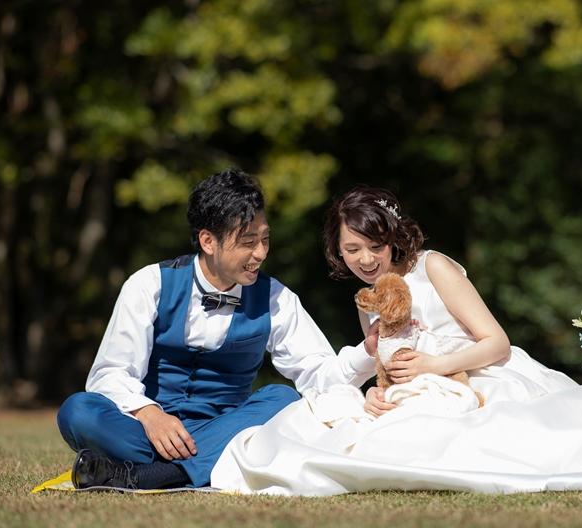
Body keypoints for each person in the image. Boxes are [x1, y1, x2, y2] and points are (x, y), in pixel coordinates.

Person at [209, 186, 582, 495]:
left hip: (481, 374)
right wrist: (380, 394)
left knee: (489, 440)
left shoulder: (432, 267)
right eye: (352, 248)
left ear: (392, 239)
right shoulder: (367, 300)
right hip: (420, 389)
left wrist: (433, 367)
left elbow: (497, 342)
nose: (364, 259)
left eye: (374, 246)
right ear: (337, 250)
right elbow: (387, 364)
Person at [56, 169, 375, 490]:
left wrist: (369, 352)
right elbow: (110, 373)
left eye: (265, 239)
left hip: (228, 426)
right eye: (248, 242)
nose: (261, 253)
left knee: (282, 399)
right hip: (146, 430)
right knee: (79, 411)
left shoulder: (277, 298)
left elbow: (319, 372)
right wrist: (150, 414)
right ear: (208, 241)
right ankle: (203, 464)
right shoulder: (148, 284)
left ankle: (150, 475)